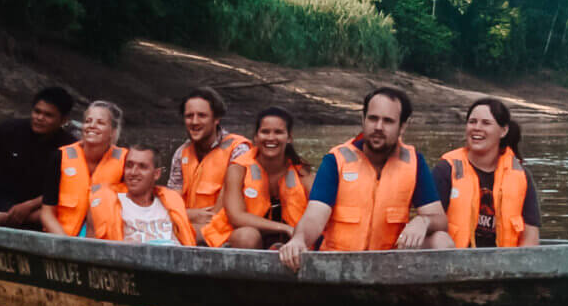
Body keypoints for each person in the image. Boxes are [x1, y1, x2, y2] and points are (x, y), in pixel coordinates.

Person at [276, 88, 447, 270]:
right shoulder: (336, 160)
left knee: (441, 241)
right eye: (373, 118)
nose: (378, 127)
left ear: (403, 126)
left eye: (388, 121)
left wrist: (423, 221)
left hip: (389, 264)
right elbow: (315, 216)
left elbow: (440, 218)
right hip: (337, 263)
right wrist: (299, 239)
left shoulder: (415, 163)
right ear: (363, 119)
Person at [438, 97, 541, 248]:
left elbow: (531, 235)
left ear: (503, 131)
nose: (477, 128)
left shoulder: (521, 175)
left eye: (486, 123)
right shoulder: (446, 169)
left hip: (504, 265)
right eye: (472, 122)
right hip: (455, 262)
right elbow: (431, 221)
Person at [0, 86, 76, 227]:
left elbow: (69, 189)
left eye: (48, 115)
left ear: (63, 120)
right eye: (37, 112)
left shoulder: (71, 147)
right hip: (1, 203)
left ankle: (9, 218)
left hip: (41, 208)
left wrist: (30, 205)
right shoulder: (10, 129)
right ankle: (1, 219)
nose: (39, 118)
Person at [210, 105, 313, 249]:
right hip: (243, 238)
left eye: (278, 132)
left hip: (289, 241)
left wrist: (300, 234)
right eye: (265, 132)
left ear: (289, 138)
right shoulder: (237, 170)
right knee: (248, 236)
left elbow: (318, 209)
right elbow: (236, 216)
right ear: (256, 137)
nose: (271, 138)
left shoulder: (302, 173)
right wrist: (285, 228)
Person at [167, 90, 250, 246]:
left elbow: (217, 215)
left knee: (246, 236)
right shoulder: (181, 153)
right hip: (191, 224)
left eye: (202, 115)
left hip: (224, 229)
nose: (194, 121)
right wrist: (190, 215)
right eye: (189, 116)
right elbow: (172, 203)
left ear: (216, 119)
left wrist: (187, 218)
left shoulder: (238, 149)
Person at [42, 100, 126, 238]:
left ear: (113, 131)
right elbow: (47, 212)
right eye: (88, 121)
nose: (92, 126)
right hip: (63, 238)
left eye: (100, 122)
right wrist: (66, 244)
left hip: (104, 241)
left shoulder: (125, 160)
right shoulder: (60, 156)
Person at [88, 143, 195, 244]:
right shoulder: (105, 205)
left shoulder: (171, 204)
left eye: (142, 167)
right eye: (129, 165)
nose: (133, 172)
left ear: (156, 174)